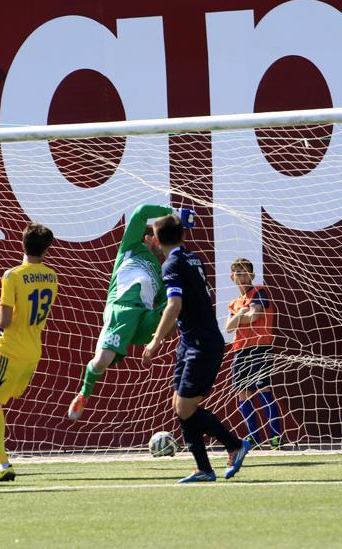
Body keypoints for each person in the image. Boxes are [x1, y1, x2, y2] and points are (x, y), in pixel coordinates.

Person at [142, 213, 250, 482]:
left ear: (156, 240)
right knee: (179, 405)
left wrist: (156, 339)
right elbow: (187, 295)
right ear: (182, 235)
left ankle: (235, 444)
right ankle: (203, 469)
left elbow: (175, 304)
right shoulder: (191, 257)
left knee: (185, 408)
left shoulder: (172, 265)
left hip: (201, 344)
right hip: (191, 341)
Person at [67, 204, 175, 421]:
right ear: (148, 239)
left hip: (144, 318)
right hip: (122, 309)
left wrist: (158, 338)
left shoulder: (164, 271)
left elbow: (170, 309)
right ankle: (84, 393)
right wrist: (171, 212)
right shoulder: (131, 247)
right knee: (102, 361)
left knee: (179, 304)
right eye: (157, 239)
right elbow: (141, 212)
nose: (160, 244)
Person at [0, 223, 58, 483]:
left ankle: (4, 464)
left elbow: (6, 321)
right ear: (47, 249)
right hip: (32, 350)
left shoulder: (12, 275)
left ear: (22, 243)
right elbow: (20, 315)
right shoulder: (51, 276)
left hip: (9, 350)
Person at [225, 258, 281, 449]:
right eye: (238, 274)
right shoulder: (234, 303)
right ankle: (254, 437)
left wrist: (240, 316)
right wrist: (242, 313)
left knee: (262, 388)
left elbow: (254, 315)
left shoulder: (259, 291)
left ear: (252, 275)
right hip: (240, 350)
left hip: (260, 348)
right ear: (232, 277)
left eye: (245, 273)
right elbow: (228, 327)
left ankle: (275, 437)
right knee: (243, 393)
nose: (242, 277)